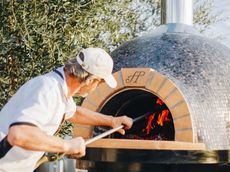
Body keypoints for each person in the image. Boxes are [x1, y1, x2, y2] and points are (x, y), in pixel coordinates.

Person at [0, 47, 133, 172]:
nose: (96, 88)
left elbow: (74, 112)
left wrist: (111, 121)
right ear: (90, 81)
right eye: (99, 83)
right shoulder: (48, 89)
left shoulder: (60, 89)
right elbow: (19, 134)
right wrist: (67, 145)